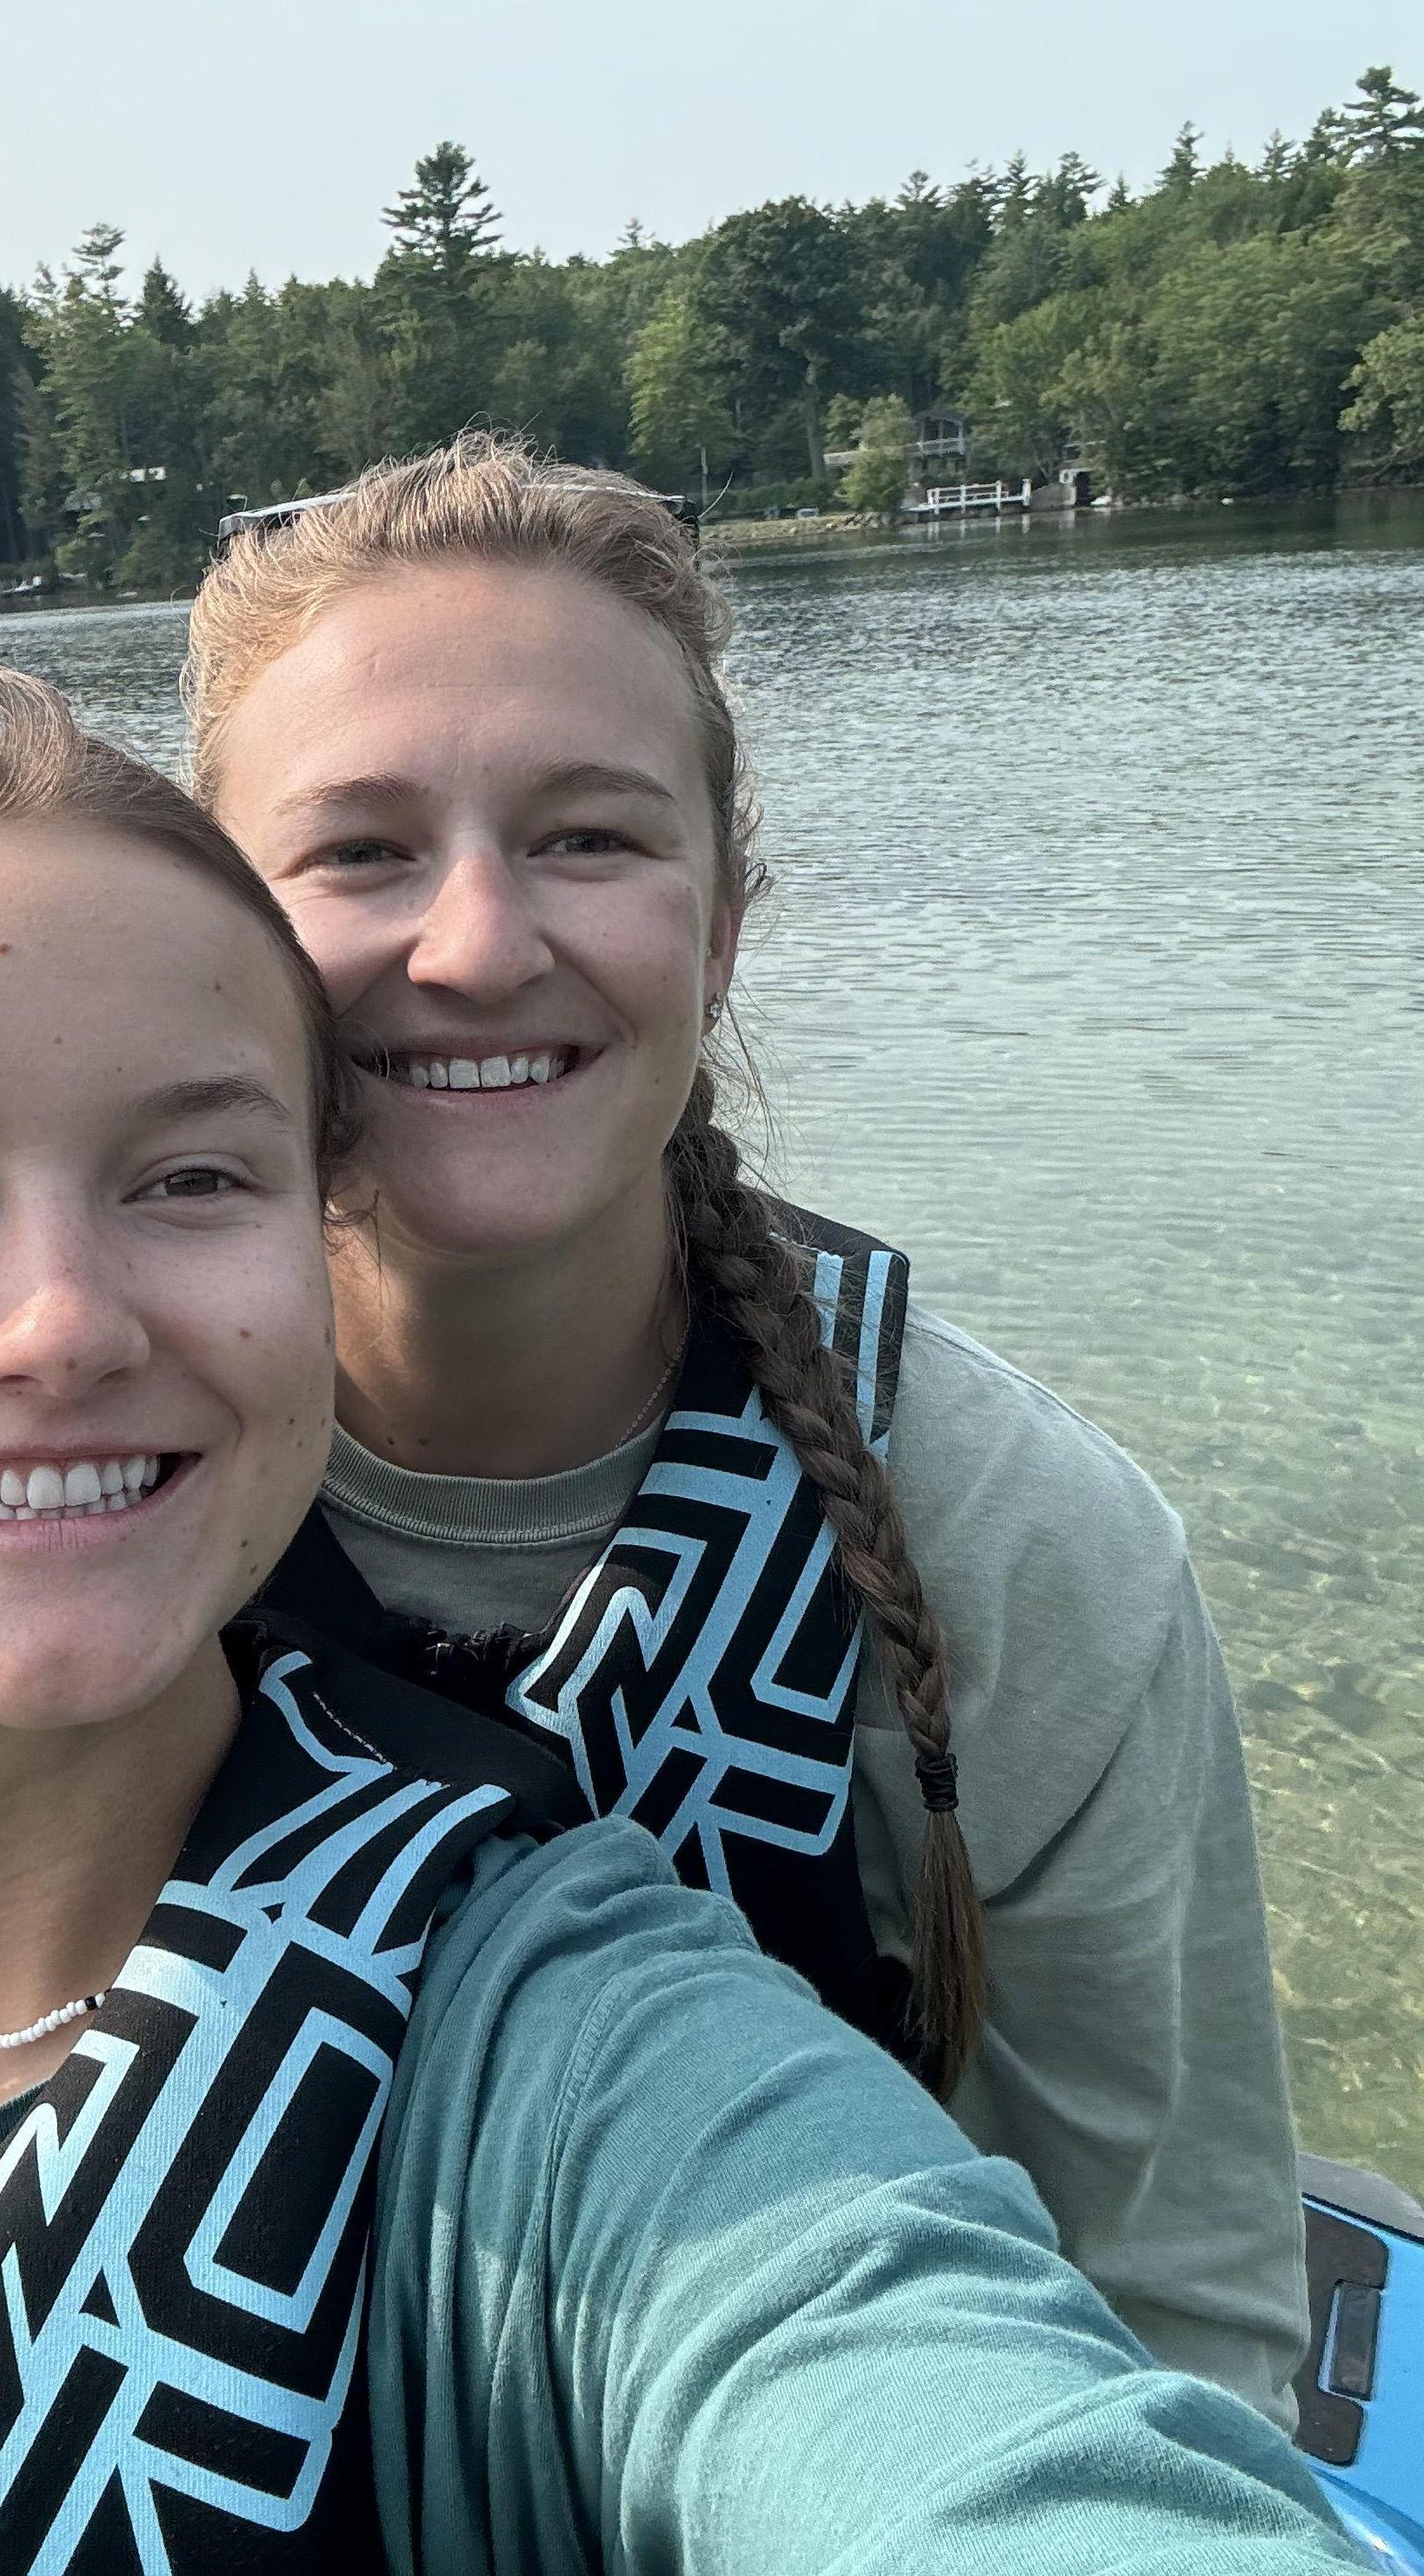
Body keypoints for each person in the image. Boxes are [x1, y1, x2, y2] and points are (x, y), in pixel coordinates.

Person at [0, 660, 1359, 2576]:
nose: (54, 1325)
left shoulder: (588, 2058)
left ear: (318, 1254)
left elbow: (953, 2401)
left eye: (189, 1176)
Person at [186, 434, 1308, 2423]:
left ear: (721, 929)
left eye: (591, 838)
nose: (472, 944)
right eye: (359, 850)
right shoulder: (85, 1485)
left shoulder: (1014, 1546)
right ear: (211, 944)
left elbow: (1171, 2311)